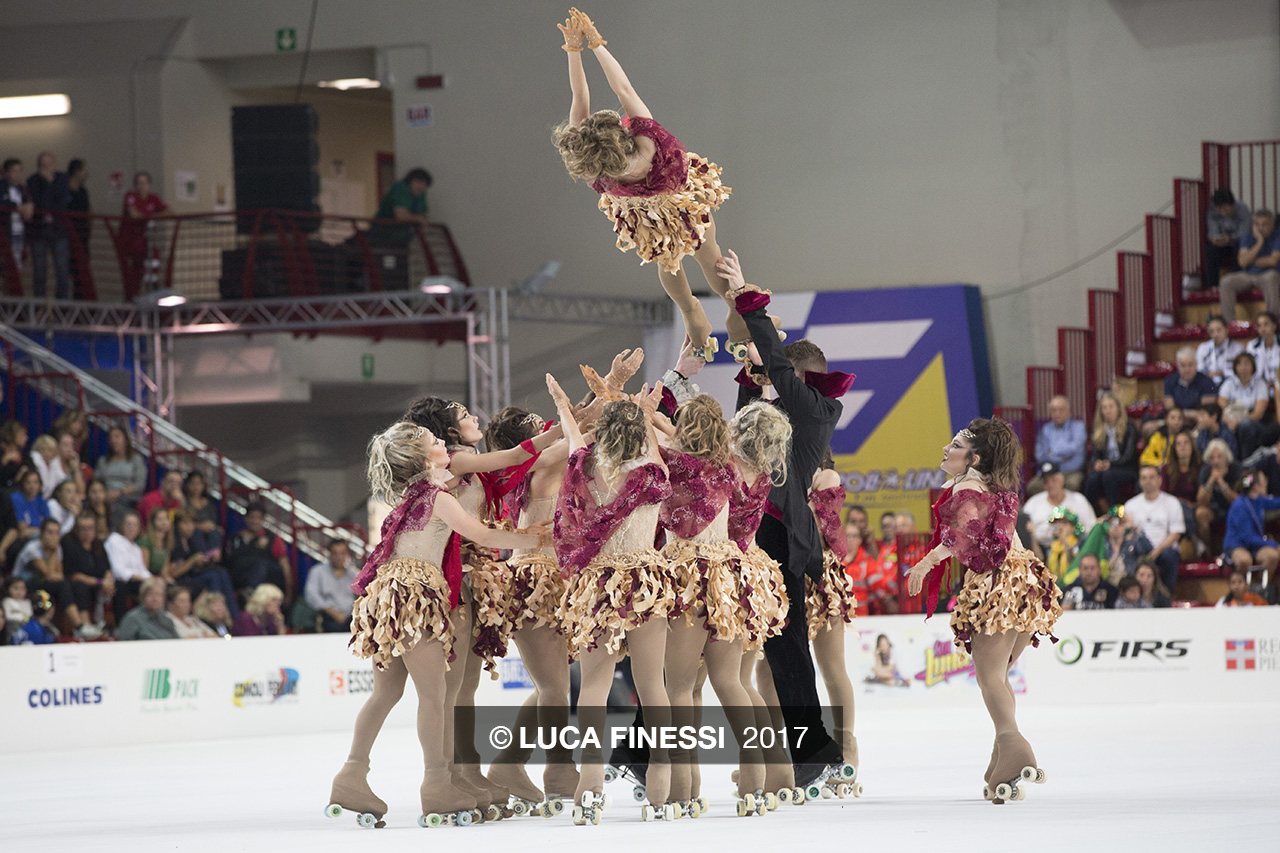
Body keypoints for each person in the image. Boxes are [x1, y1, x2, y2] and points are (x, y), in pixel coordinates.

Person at [329, 421, 545, 828]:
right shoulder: (437, 496)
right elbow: (480, 533)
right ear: (421, 458)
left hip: (387, 598)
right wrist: (537, 541)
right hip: (414, 595)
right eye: (435, 442)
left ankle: (351, 775)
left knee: (385, 694)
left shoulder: (411, 494)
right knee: (435, 694)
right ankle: (436, 784)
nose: (444, 444)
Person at [554, 8, 774, 364]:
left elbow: (579, 98)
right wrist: (592, 45)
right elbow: (621, 87)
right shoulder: (646, 146)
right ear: (619, 134)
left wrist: (572, 52)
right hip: (678, 204)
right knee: (708, 252)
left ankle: (690, 311)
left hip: (642, 217)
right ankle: (738, 310)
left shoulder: (597, 171)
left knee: (666, 261)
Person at [719, 249, 850, 787]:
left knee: (786, 645)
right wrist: (750, 365)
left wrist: (748, 298)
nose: (777, 379)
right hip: (750, 531)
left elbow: (774, 369)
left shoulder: (815, 409)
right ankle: (798, 752)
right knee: (766, 648)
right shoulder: (783, 409)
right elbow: (749, 412)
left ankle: (812, 751)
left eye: (783, 375)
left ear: (800, 376)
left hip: (779, 534)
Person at [906, 418, 1062, 803]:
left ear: (973, 457)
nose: (946, 449)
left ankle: (1013, 745)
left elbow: (966, 535)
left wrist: (927, 563)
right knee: (999, 676)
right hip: (1025, 583)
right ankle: (1002, 758)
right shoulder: (993, 485)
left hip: (999, 582)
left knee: (990, 678)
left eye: (956, 444)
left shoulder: (969, 484)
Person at [545, 373, 678, 819]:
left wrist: (565, 407)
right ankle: (660, 778)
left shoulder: (584, 465)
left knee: (596, 687)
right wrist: (644, 407)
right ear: (640, 431)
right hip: (644, 581)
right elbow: (655, 444)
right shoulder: (654, 470)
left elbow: (570, 436)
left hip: (599, 584)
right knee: (651, 685)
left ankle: (590, 783)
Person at [1123, 465, 1185, 593]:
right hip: (1140, 548)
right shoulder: (1131, 504)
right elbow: (1128, 534)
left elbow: (1175, 533)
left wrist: (1157, 551)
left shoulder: (1171, 502)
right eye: (1144, 478)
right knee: (1128, 551)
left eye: (1151, 477)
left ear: (1159, 480)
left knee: (1170, 556)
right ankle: (1131, 595)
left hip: (1163, 548)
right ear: (1140, 481)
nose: (1148, 481)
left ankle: (1166, 595)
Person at [169, 508, 239, 618]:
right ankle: (215, 614)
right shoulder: (173, 543)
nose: (190, 527)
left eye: (192, 523)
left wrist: (207, 558)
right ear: (177, 525)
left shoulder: (190, 541)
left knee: (222, 573)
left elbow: (198, 561)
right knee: (213, 577)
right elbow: (173, 573)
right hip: (182, 580)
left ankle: (234, 617)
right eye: (185, 523)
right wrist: (192, 561)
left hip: (194, 575)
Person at [1022, 462, 1096, 556]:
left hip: (1075, 551)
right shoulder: (1033, 503)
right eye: (1046, 481)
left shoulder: (1078, 500)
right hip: (1041, 551)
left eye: (1054, 480)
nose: (1050, 484)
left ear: (1062, 480)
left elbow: (1091, 528)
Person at [25, 151, 72, 299]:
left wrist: (50, 183)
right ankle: (39, 307)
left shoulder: (63, 179)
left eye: (49, 165)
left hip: (59, 232)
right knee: (40, 270)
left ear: (55, 165)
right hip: (39, 232)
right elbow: (41, 203)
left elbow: (61, 203)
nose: (46, 168)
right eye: (43, 166)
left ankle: (62, 307)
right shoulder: (32, 181)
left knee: (62, 270)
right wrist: (46, 183)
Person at [1082, 392, 1139, 512]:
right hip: (1106, 468)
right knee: (1092, 478)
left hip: (1126, 468)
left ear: (1118, 408)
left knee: (1109, 476)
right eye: (1104, 407)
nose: (1108, 410)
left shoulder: (1129, 427)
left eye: (1111, 406)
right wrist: (1096, 463)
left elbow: (1129, 456)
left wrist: (1111, 464)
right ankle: (1088, 513)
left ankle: (1115, 513)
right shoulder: (1098, 429)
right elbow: (1094, 454)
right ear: (1101, 411)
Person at [1218, 209, 1280, 320]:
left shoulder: (1278, 236)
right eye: (1257, 224)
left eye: (1264, 224)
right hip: (1248, 274)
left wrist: (1251, 259)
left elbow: (1273, 261)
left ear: (1272, 224)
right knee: (1226, 282)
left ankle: (1272, 322)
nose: (1260, 228)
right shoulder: (1248, 236)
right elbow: (1242, 262)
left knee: (1272, 278)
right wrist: (1259, 242)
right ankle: (1228, 324)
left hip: (1268, 274)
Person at [223, 502, 292, 601]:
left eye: (259, 518)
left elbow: (285, 567)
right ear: (245, 518)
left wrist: (289, 594)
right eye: (252, 517)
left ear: (264, 520)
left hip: (266, 585)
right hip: (240, 582)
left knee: (261, 564)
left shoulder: (273, 539)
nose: (255, 521)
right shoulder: (235, 539)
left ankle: (252, 593)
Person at [1222, 469, 1280, 579]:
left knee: (1272, 555)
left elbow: (1275, 502)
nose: (1266, 483)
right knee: (1245, 560)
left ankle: (1260, 589)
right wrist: (1275, 545)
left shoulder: (1258, 500)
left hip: (1253, 546)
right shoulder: (1239, 506)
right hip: (1236, 545)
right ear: (1256, 486)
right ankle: (1242, 590)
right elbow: (1248, 537)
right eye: (1264, 480)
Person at [1217, 352, 1275, 459]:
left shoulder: (1260, 384)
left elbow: (1258, 413)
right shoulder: (1230, 383)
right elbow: (1222, 402)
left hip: (1254, 422)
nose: (1243, 367)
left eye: (1247, 363)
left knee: (1245, 425)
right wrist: (1230, 420)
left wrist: (1238, 422)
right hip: (1232, 417)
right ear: (1235, 367)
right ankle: (1229, 461)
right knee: (1223, 425)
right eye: (1240, 364)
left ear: (1253, 366)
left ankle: (1246, 460)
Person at [61, 510, 113, 629]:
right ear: (76, 529)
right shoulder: (69, 543)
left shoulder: (98, 544)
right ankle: (86, 626)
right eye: (83, 528)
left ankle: (115, 627)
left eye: (90, 528)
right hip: (77, 584)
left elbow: (107, 568)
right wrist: (100, 582)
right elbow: (72, 574)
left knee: (120, 585)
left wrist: (108, 581)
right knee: (80, 586)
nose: (87, 532)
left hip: (97, 585)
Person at [120, 171, 168, 298]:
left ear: (150, 185)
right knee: (135, 274)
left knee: (154, 262)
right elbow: (133, 214)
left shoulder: (154, 198)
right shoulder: (130, 196)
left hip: (147, 244)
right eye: (139, 183)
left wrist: (152, 216)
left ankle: (152, 293)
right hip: (131, 243)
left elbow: (168, 212)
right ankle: (132, 300)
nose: (142, 186)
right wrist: (150, 217)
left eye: (144, 183)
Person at [104, 511, 154, 624]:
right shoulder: (114, 540)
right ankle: (121, 625)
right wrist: (145, 579)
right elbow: (119, 571)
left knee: (159, 586)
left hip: (136, 581)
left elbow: (143, 570)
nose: (132, 528)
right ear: (122, 525)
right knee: (123, 587)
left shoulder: (136, 547)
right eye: (128, 524)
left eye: (135, 525)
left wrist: (154, 579)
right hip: (120, 581)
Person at [1029, 396, 1087, 492]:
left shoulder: (1078, 427)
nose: (1057, 413)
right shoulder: (1045, 430)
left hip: (1072, 472)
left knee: (1073, 485)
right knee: (1032, 487)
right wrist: (1062, 457)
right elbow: (1040, 456)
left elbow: (1075, 448)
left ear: (1069, 410)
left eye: (1061, 410)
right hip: (1049, 473)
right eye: (1053, 410)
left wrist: (1053, 451)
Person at [303, 538, 359, 633]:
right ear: (329, 554)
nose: (339, 557)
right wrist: (331, 611)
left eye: (342, 553)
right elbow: (311, 594)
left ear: (347, 554)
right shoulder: (318, 572)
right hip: (327, 617)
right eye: (335, 553)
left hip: (350, 618)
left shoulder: (353, 574)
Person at [843, 514, 894, 616]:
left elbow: (880, 587)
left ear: (860, 539)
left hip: (860, 617)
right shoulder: (834, 561)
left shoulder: (866, 563)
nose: (850, 539)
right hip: (838, 617)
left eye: (854, 536)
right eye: (847, 535)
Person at [1204, 188, 1252, 293]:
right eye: (1219, 209)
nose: (1222, 212)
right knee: (1211, 247)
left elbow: (1245, 233)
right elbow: (1213, 231)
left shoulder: (1242, 209)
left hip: (1238, 241)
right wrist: (1216, 238)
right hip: (1223, 243)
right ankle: (1212, 286)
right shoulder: (1212, 211)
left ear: (1233, 204)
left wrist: (1231, 238)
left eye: (1225, 208)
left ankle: (1236, 282)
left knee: (1239, 244)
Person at [1163, 430, 1205, 545]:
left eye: (1186, 443)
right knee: (1180, 506)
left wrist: (1193, 505)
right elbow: (1162, 495)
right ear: (1174, 449)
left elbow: (1202, 496)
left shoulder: (1200, 468)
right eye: (1179, 444)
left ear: (1192, 446)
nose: (1183, 447)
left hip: (1193, 507)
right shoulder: (1166, 469)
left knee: (1186, 508)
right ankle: (1193, 538)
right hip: (1171, 507)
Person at [1198, 438, 1242, 546]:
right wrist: (1210, 481)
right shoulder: (1205, 470)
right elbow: (1201, 501)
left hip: (1234, 508)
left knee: (1242, 511)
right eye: (1212, 458)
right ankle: (1207, 551)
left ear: (1226, 457)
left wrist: (1222, 484)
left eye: (1219, 457)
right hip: (1215, 508)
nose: (1216, 461)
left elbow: (1238, 501)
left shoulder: (1236, 469)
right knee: (1200, 513)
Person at [94, 426, 147, 512]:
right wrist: (103, 494)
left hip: (128, 497)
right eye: (111, 437)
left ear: (125, 440)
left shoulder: (136, 459)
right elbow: (96, 481)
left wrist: (120, 492)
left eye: (117, 436)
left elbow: (140, 485)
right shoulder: (102, 461)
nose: (113, 440)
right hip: (105, 497)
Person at [370, 167, 430, 242]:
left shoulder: (421, 194)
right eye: (418, 182)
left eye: (425, 184)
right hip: (382, 232)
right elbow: (401, 215)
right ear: (410, 181)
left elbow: (423, 215)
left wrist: (419, 219)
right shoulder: (400, 188)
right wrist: (418, 218)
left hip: (402, 235)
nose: (421, 187)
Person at [116, 577, 178, 641]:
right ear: (143, 597)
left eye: (159, 595)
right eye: (151, 594)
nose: (155, 599)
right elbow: (124, 643)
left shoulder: (166, 620)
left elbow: (177, 642)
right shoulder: (132, 619)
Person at [0, 158, 34, 271]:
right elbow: (4, 204)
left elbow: (28, 208)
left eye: (20, 171)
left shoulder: (23, 190)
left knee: (15, 268)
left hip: (19, 233)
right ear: (6, 172)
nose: (17, 174)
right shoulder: (2, 187)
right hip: (5, 234)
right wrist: (17, 207)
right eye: (14, 171)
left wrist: (28, 207)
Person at [1163, 347, 1219, 413]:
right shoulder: (1169, 381)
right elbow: (1170, 411)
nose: (1187, 370)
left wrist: (1182, 414)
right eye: (1183, 365)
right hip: (1177, 421)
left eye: (1190, 365)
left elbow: (1205, 414)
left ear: (1196, 364)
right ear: (1177, 366)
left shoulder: (1207, 382)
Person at [1196, 315, 1245, 388]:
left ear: (1226, 330)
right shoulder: (1203, 348)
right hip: (1208, 385)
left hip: (1232, 384)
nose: (1215, 334)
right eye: (1212, 331)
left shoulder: (1238, 348)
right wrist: (1208, 375)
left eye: (1219, 330)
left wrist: (1223, 373)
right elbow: (1199, 370)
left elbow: (1242, 372)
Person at [65, 158, 90, 296]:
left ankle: (80, 303)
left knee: (81, 274)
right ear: (76, 172)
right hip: (68, 238)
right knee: (67, 272)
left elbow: (88, 212)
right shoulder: (64, 192)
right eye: (84, 170)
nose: (87, 174)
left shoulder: (83, 192)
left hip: (83, 238)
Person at [183, 471, 223, 553]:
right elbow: (183, 520)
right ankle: (203, 558)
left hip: (209, 531)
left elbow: (213, 521)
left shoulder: (209, 503)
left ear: (203, 486)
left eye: (198, 484)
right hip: (193, 531)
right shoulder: (184, 502)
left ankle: (214, 557)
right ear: (187, 485)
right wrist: (199, 526)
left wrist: (212, 526)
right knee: (197, 533)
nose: (196, 487)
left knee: (216, 532)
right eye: (193, 484)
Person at [1246, 311, 1280, 392]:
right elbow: (1251, 371)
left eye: (1266, 324)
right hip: (1260, 385)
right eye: (1259, 325)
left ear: (1274, 326)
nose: (1262, 329)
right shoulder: (1252, 346)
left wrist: (1275, 384)